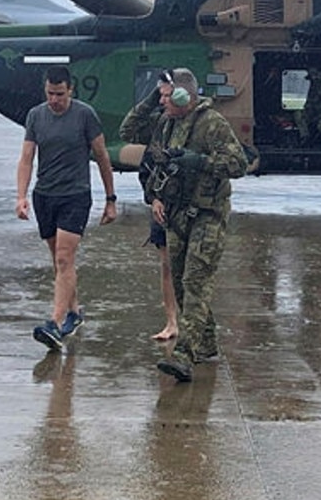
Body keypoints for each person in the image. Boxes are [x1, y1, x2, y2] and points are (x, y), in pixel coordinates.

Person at [139, 68, 247, 382]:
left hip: (208, 215)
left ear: (185, 96)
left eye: (166, 95)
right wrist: (154, 197)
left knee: (196, 282)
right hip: (176, 215)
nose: (162, 101)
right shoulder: (165, 124)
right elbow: (151, 158)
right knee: (182, 287)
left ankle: (185, 354)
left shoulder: (212, 124)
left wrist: (200, 161)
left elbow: (239, 163)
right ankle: (207, 343)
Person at [17, 65, 117, 350]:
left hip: (76, 195)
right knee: (59, 261)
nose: (54, 100)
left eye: (60, 94)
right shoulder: (36, 115)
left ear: (70, 90)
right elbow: (26, 158)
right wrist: (21, 196)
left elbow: (102, 156)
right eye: (50, 94)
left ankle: (55, 323)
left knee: (64, 259)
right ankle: (74, 312)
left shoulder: (85, 115)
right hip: (45, 195)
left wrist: (111, 199)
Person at [119, 72, 179, 341]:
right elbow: (127, 130)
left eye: (169, 95)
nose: (164, 100)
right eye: (162, 95)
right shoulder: (158, 123)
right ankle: (171, 322)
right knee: (166, 265)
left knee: (190, 268)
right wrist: (154, 96)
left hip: (189, 205)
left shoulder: (202, 123)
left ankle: (193, 322)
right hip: (161, 204)